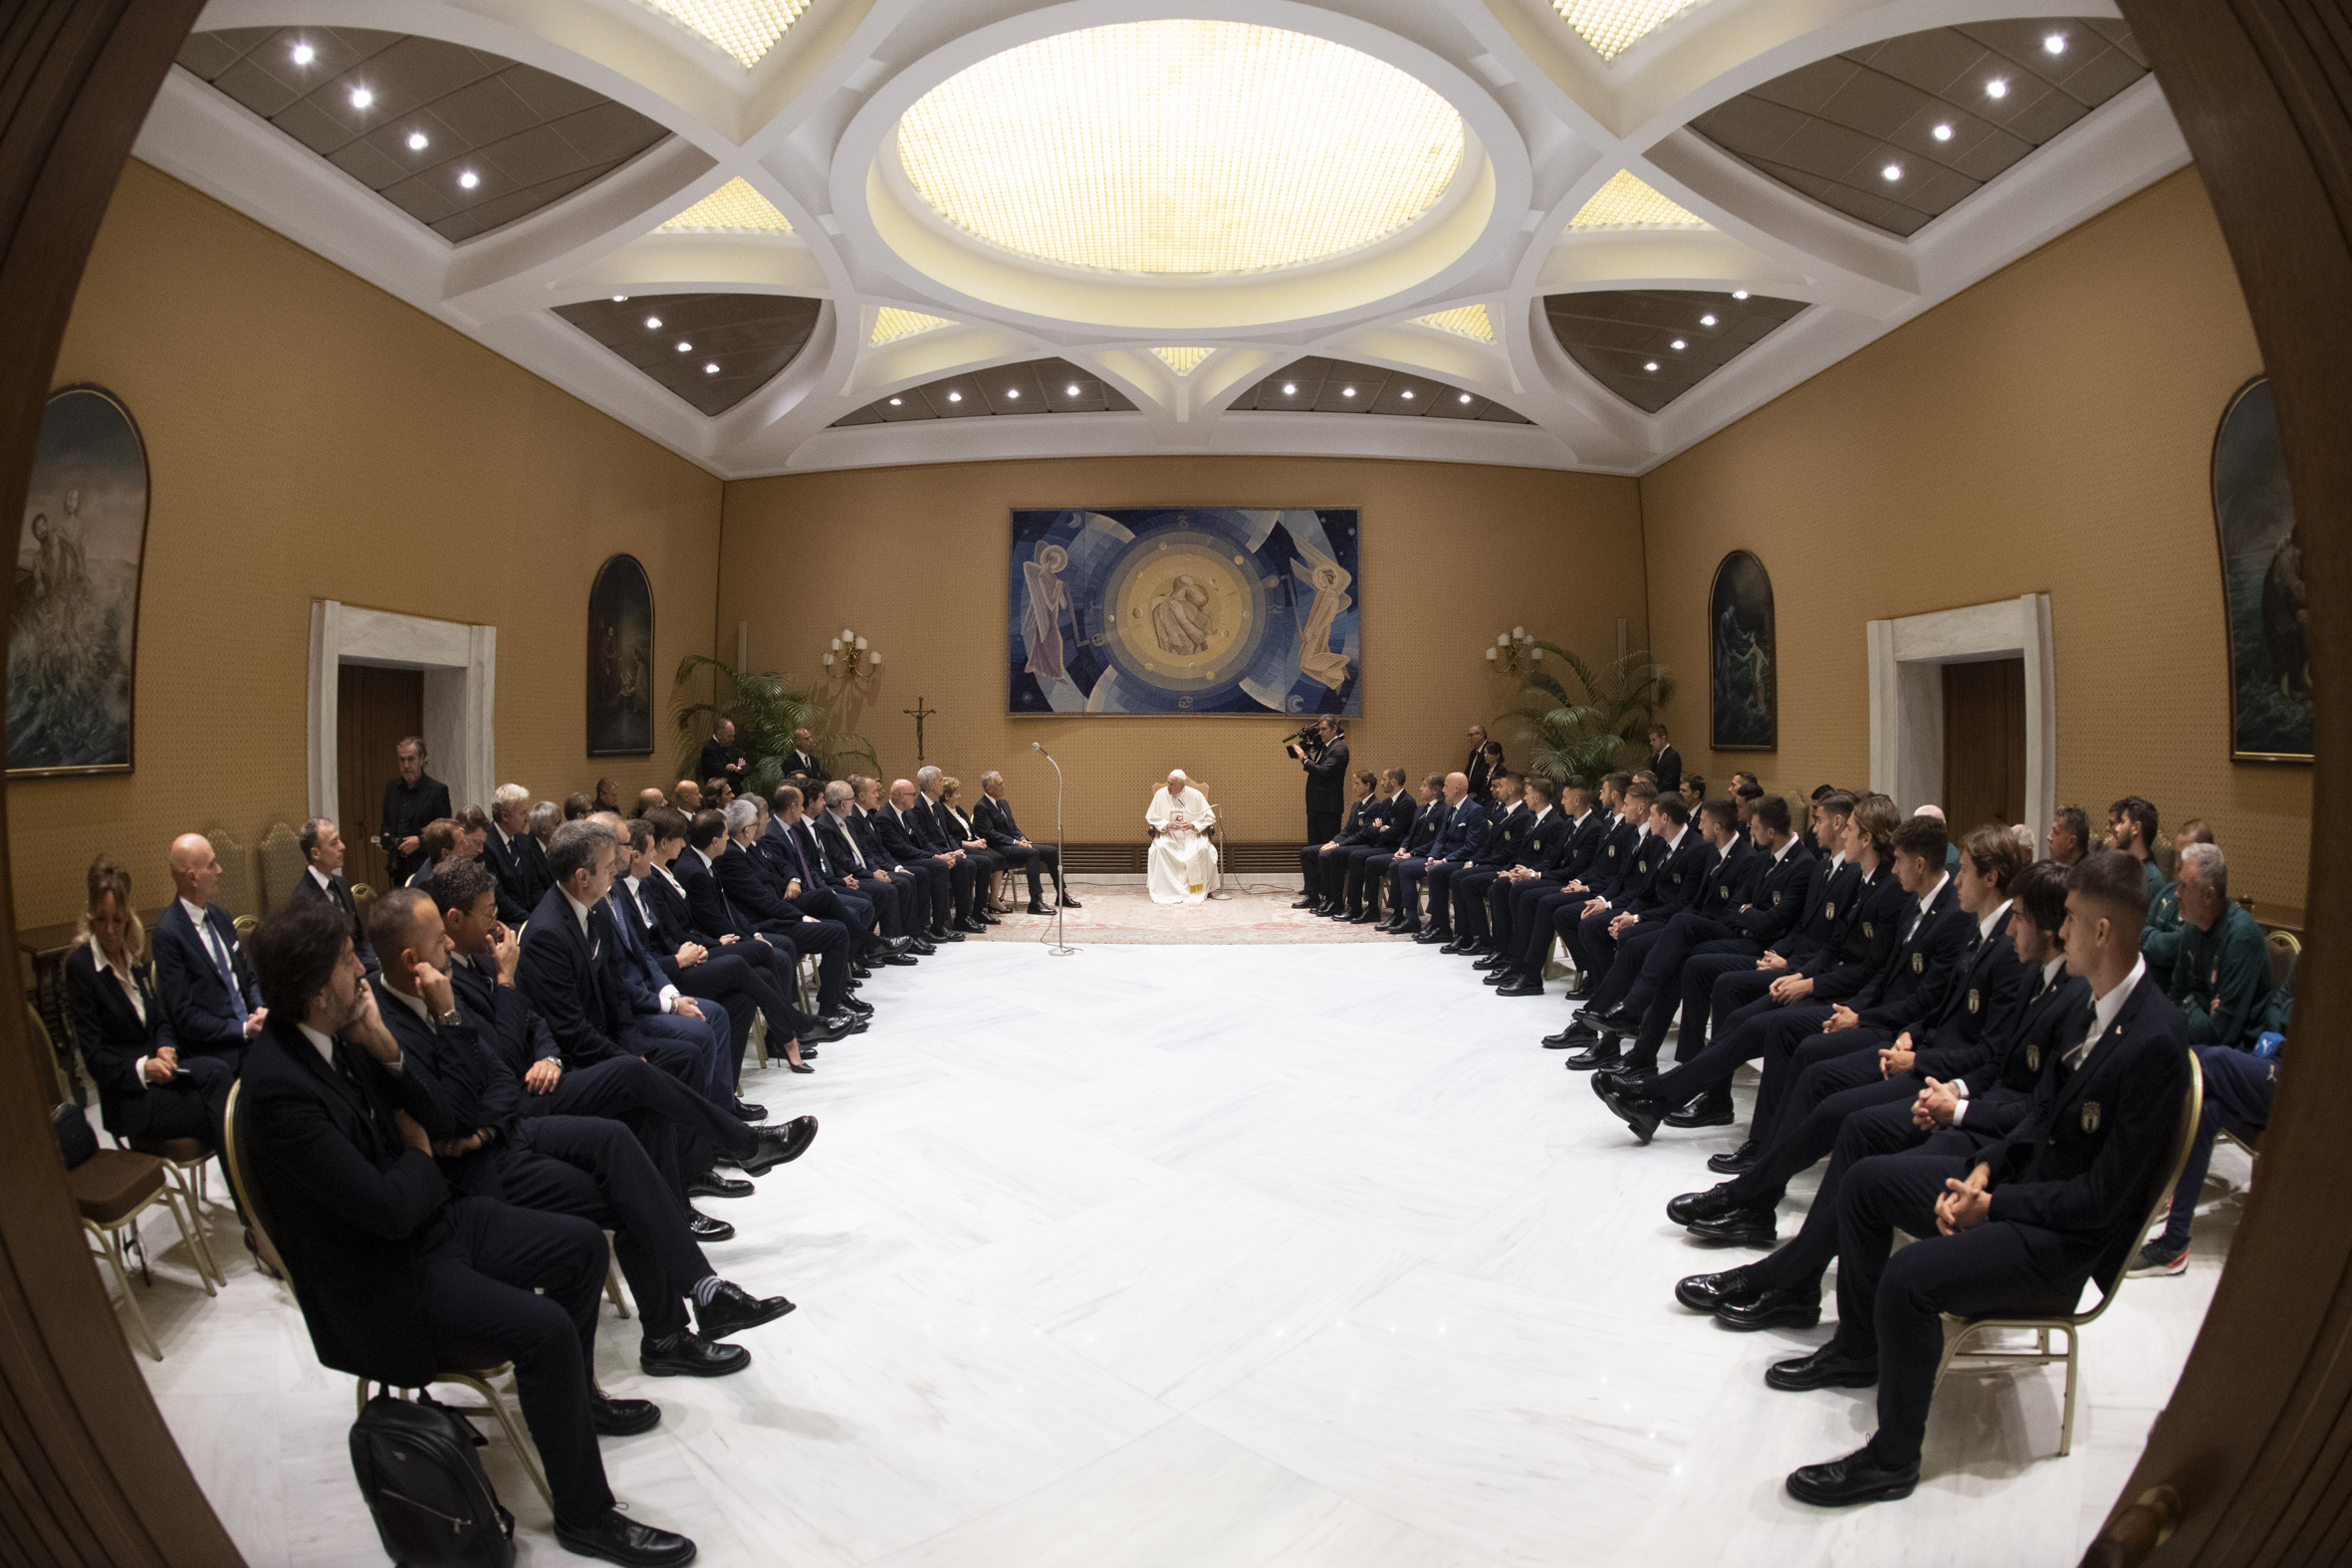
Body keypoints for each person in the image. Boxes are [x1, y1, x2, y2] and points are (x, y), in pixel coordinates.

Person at [237, 898, 699, 1566]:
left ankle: (575, 1404)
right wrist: (419, 1155)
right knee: (545, 1329)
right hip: (383, 1282)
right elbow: (389, 1206)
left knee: (578, 1247)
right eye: (345, 962)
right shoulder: (278, 1089)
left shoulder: (346, 1032)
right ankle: (586, 1516)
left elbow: (443, 1114)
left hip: (431, 1225)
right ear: (314, 993)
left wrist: (390, 1052)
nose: (362, 971)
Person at [1771, 851, 2192, 1507]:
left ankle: (1892, 1459)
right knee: (1867, 1184)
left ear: (2101, 930)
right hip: (2021, 1189)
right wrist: (1986, 1168)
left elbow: (2100, 1200)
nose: (2061, 931)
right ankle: (1857, 1347)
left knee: (1908, 1280)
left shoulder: (2155, 1038)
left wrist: (1991, 1204)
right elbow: (2041, 1114)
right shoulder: (2095, 1002)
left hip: (2061, 1241)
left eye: (2071, 919)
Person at [366, 887, 794, 1376]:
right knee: (633, 1173)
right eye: (439, 937)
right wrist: (469, 1011)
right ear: (412, 957)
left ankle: (693, 1307)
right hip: (482, 1165)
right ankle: (680, 1317)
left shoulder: (469, 964)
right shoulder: (398, 1021)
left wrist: (538, 1063)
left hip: (510, 1120)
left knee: (635, 1134)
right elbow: (468, 1100)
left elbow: (510, 1058)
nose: (452, 940)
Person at [68, 856, 235, 1146]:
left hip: (162, 1073)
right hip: (129, 1095)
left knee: (220, 1074)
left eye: (117, 920)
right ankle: (240, 1170)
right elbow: (95, 1058)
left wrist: (165, 1046)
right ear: (90, 915)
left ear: (127, 916)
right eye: (101, 920)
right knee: (222, 1113)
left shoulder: (132, 953)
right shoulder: (81, 967)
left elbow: (159, 1018)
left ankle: (239, 1167)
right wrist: (143, 1068)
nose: (110, 930)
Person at [152, 833, 267, 1069]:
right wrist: (242, 1029)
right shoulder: (168, 934)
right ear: (192, 878)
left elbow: (249, 977)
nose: (219, 870)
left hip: (252, 1029)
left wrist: (259, 1008)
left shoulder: (221, 917)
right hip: (219, 1048)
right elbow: (185, 1016)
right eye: (212, 864)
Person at [2170, 841, 2270, 1046]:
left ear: (2208, 895)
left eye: (2184, 886)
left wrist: (2190, 1001)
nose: (2176, 893)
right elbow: (2174, 999)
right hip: (2200, 1040)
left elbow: (2221, 1034)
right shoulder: (2192, 927)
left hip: (2240, 1050)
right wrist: (2196, 1004)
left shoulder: (2240, 937)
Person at [1390, 772, 1485, 936]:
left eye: (1446, 786)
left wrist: (1445, 860)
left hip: (1460, 859)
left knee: (1436, 871)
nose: (1443, 790)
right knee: (1405, 868)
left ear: (1456, 789)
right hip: (1441, 858)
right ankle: (1412, 918)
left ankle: (1439, 924)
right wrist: (1432, 857)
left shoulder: (1475, 810)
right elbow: (1440, 839)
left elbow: (1472, 846)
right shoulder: (1450, 809)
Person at [974, 770, 1077, 914]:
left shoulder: (1003, 803)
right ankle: (1035, 902)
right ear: (989, 788)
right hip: (998, 848)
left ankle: (1062, 894)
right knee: (1032, 853)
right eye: (1000, 784)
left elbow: (1013, 827)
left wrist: (1022, 838)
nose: (1003, 786)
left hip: (1014, 845)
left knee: (1051, 851)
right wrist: (1016, 842)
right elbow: (990, 834)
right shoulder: (981, 807)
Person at [377, 736, 450, 885]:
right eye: (402, 760)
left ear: (422, 759)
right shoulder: (392, 788)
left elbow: (445, 833)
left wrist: (420, 841)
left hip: (425, 868)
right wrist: (386, 838)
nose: (406, 765)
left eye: (411, 759)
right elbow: (386, 822)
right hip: (397, 867)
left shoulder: (437, 791)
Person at [1146, 771, 1219, 904]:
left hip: (1192, 834)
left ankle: (1196, 890)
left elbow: (1209, 817)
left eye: (1172, 784)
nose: (1168, 787)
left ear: (1182, 785)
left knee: (1203, 849)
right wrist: (1167, 825)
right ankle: (1166, 890)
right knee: (1161, 848)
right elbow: (1152, 816)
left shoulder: (1195, 795)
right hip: (1169, 834)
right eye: (1168, 783)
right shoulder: (1160, 794)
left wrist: (1193, 825)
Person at [1288, 717, 1349, 842]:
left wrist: (1304, 758)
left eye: (1324, 729)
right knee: (1313, 845)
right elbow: (1317, 770)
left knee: (1326, 846)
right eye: (1319, 729)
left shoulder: (1339, 749)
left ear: (1334, 729)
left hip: (1328, 808)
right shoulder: (1325, 747)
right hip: (1316, 805)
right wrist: (1306, 756)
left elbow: (1323, 772)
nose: (1320, 732)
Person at [699, 719, 747, 789]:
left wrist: (738, 769)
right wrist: (737, 770)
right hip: (720, 793)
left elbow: (747, 767)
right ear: (719, 734)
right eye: (730, 736)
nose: (732, 739)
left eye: (733, 735)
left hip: (736, 791)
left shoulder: (730, 746)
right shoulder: (709, 750)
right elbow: (722, 776)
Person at [1647, 723, 1682, 793]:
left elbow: (1668, 784)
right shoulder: (1656, 758)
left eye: (1654, 740)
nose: (1651, 743)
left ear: (1663, 738)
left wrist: (1651, 794)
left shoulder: (1673, 757)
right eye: (1650, 740)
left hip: (1668, 797)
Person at [1464, 726, 1492, 796]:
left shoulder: (1489, 751)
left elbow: (1481, 775)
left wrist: (1468, 789)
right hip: (1470, 792)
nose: (1469, 738)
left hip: (1481, 794)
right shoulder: (1473, 753)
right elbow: (1468, 772)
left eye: (1471, 735)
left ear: (1480, 735)